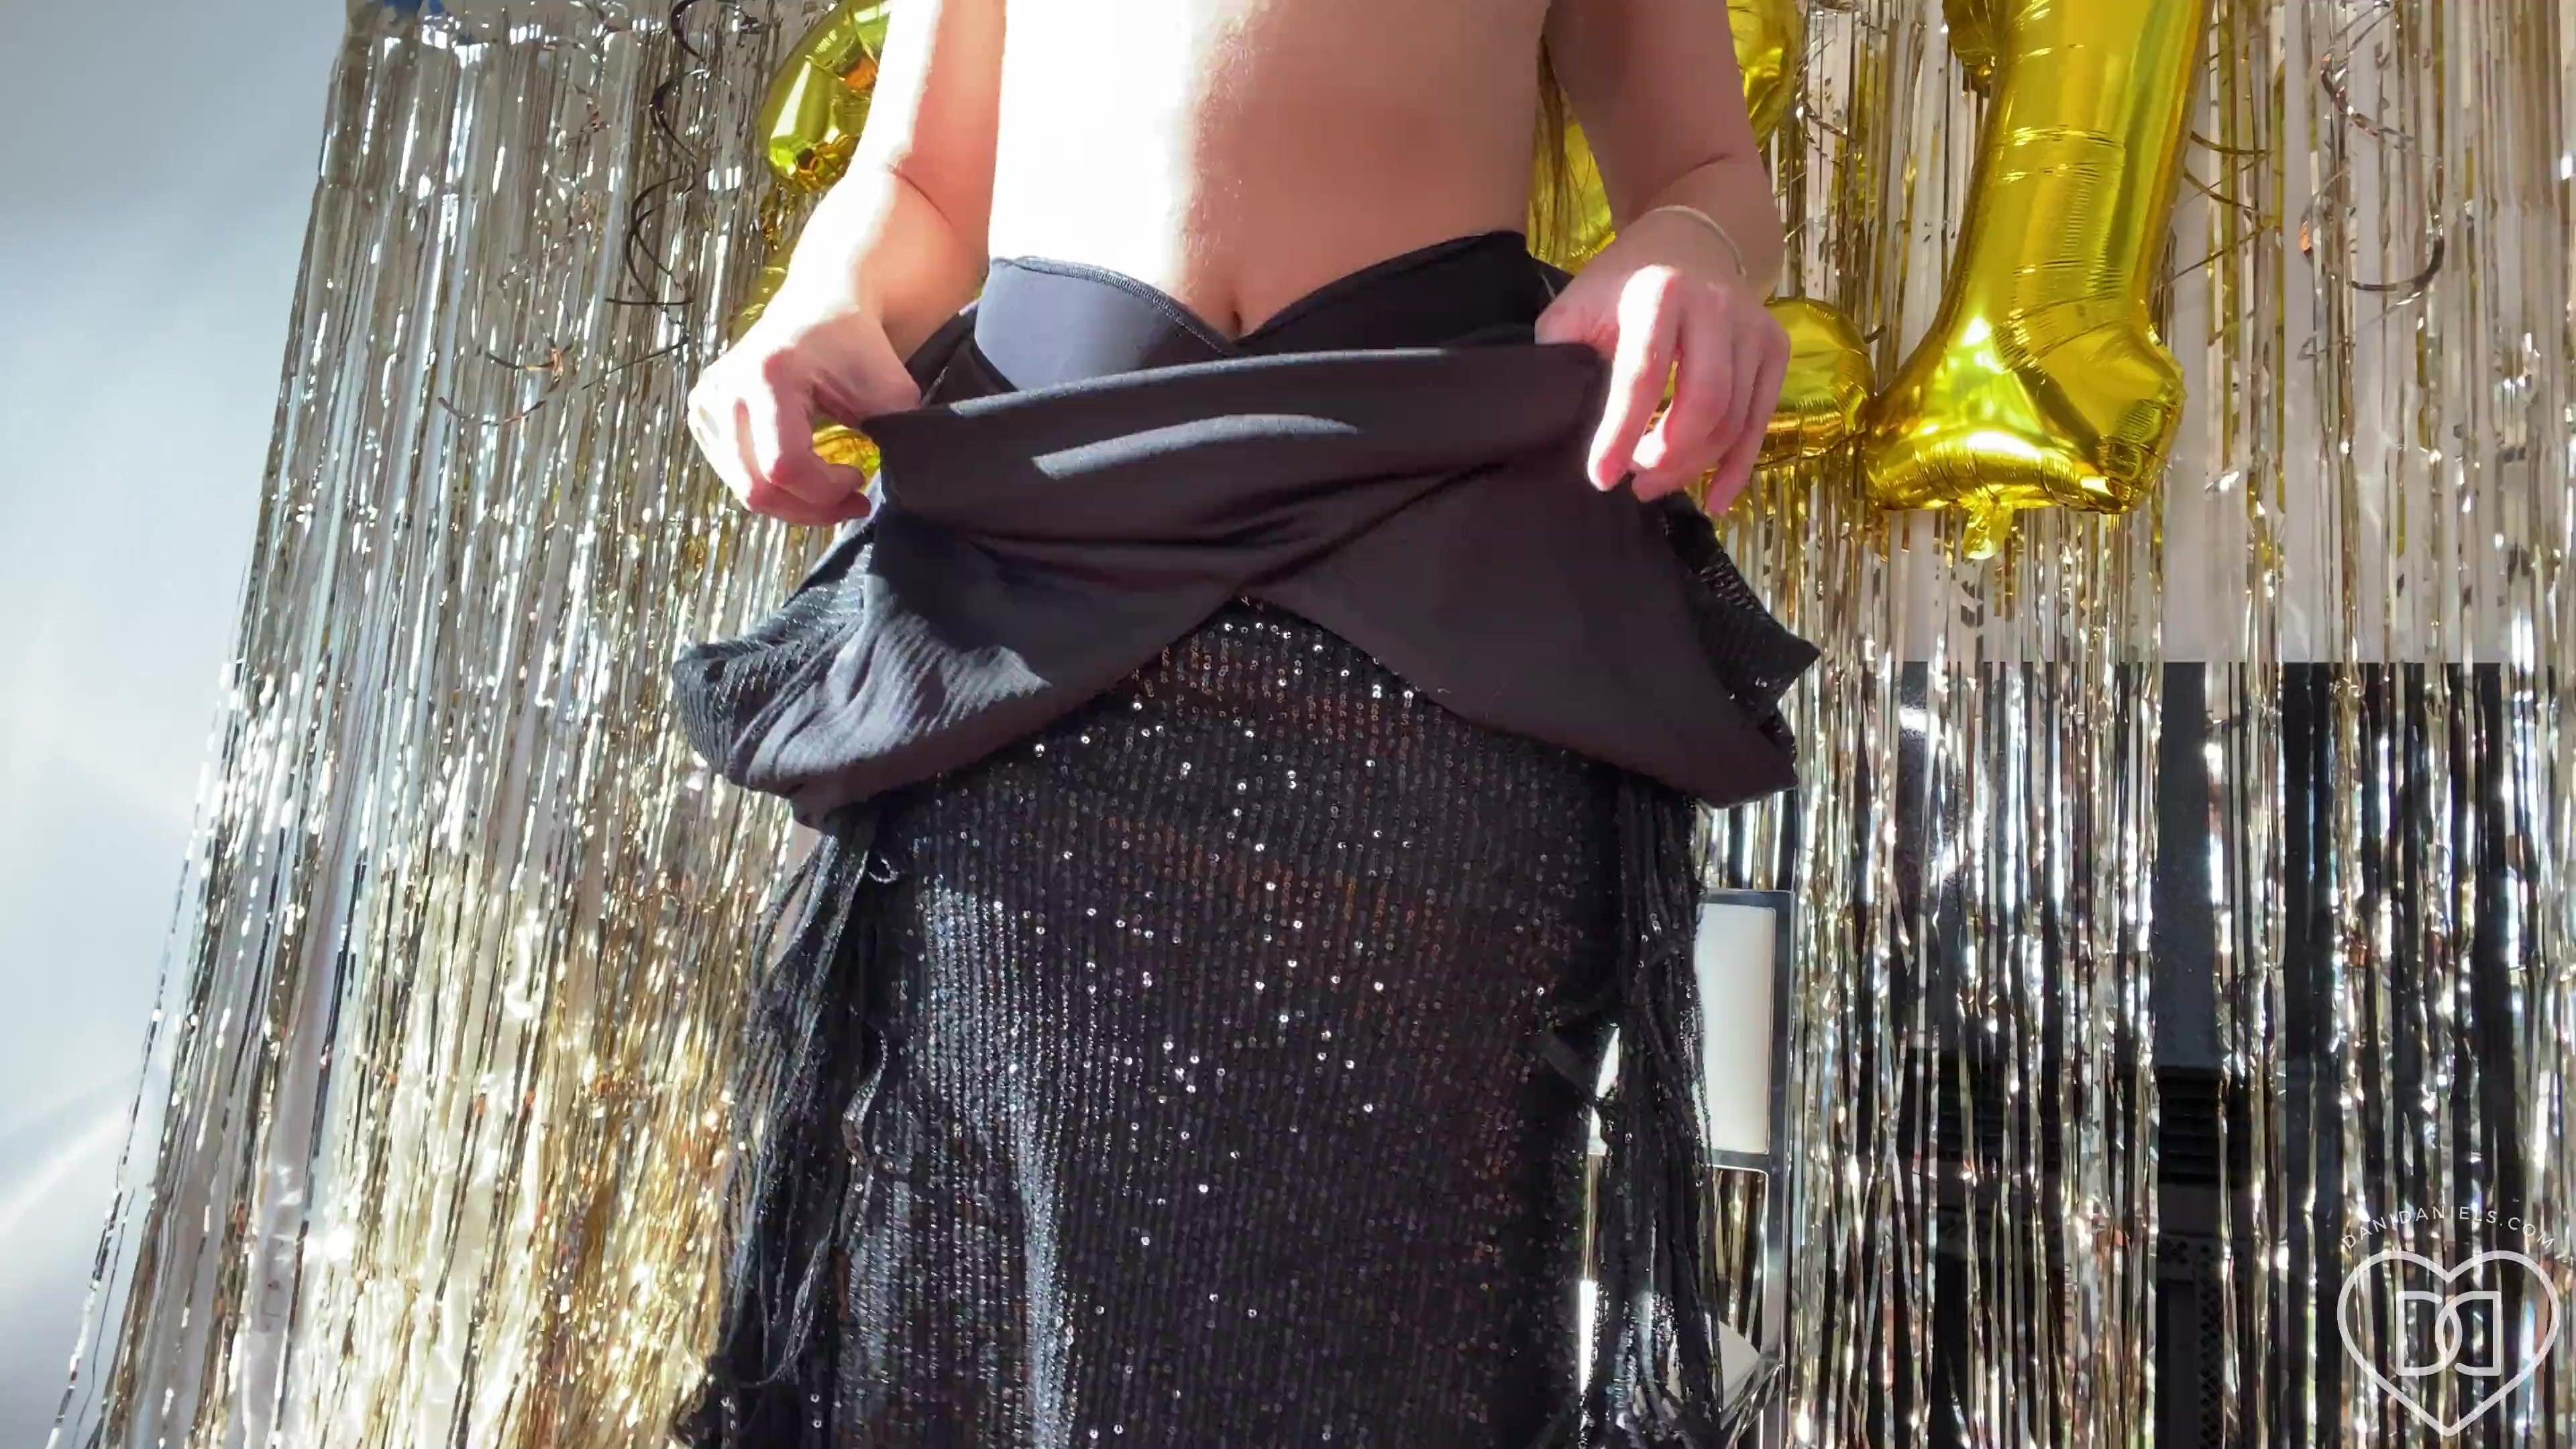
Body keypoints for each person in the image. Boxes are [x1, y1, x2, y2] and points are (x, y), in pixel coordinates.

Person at [669, 0, 1805, 1444]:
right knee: (966, 1301)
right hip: (1030, 595)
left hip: (1435, 620)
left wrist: (1686, 252)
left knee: (1405, 1330)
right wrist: (819, 299)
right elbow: (918, 184)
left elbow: (1706, 171)